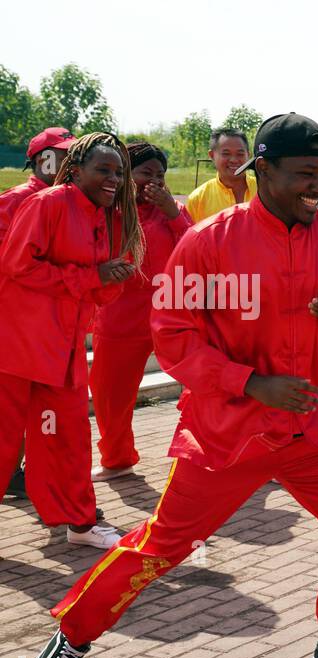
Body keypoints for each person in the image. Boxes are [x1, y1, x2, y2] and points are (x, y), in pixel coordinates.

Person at [26, 113, 318, 658]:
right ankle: (71, 638)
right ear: (264, 170)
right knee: (162, 546)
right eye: (305, 174)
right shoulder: (209, 241)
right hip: (230, 433)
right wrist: (251, 384)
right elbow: (173, 335)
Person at [0, 132, 138, 552]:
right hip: (18, 344)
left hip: (64, 348)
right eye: (103, 170)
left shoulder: (107, 215)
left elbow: (96, 288)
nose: (113, 179)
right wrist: (92, 278)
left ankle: (79, 523)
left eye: (118, 172)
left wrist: (111, 280)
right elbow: (17, 265)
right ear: (74, 171)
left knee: (68, 439)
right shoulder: (46, 203)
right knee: (4, 442)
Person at [88, 142, 193, 480]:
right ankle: (117, 459)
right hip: (119, 315)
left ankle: (203, 449)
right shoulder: (106, 212)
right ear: (124, 176)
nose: (154, 181)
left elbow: (196, 245)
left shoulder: (172, 210)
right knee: (110, 395)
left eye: (160, 175)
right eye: (145, 173)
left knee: (200, 383)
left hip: (171, 312)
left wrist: (173, 213)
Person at [0, 127, 76, 500]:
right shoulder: (16, 200)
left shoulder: (70, 202)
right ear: (41, 159)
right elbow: (13, 266)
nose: (69, 161)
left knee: (47, 425)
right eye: (62, 154)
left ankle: (48, 494)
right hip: (17, 333)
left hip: (50, 333)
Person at [183, 127, 257, 223]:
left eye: (240, 154)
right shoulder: (198, 199)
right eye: (226, 154)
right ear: (212, 155)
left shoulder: (264, 190)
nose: (234, 160)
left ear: (249, 155)